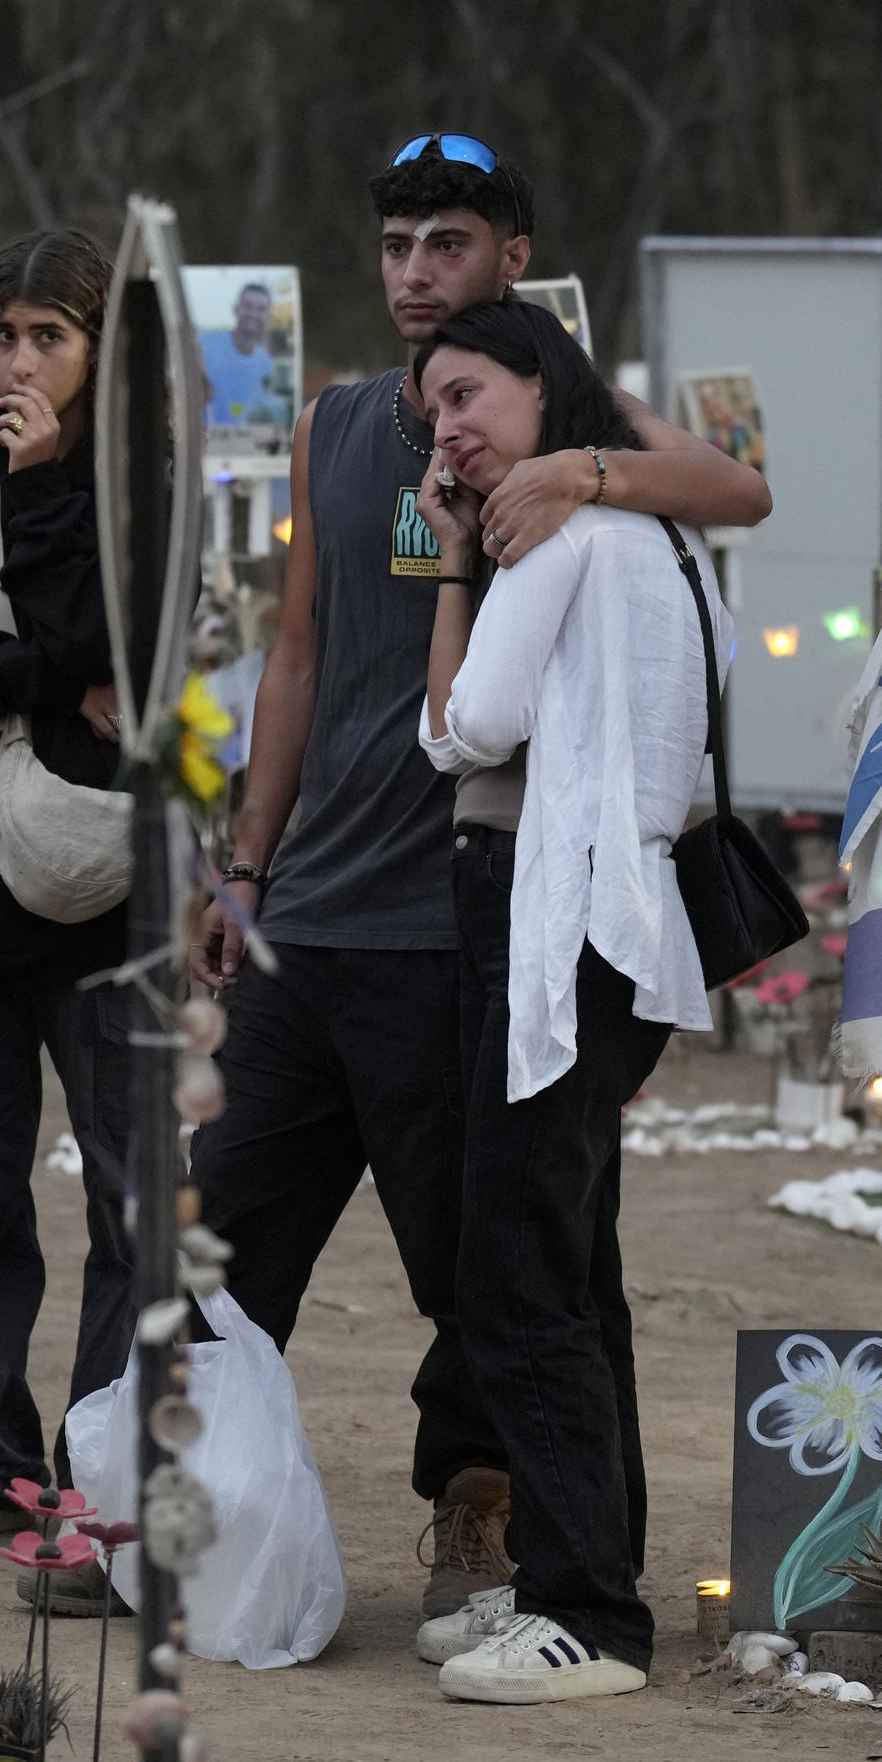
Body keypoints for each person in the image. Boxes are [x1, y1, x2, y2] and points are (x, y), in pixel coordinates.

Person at [189, 135, 768, 1636]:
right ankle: (158, 1512)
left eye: (446, 244)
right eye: (393, 246)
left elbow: (737, 488)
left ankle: (499, 1524)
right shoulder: (336, 422)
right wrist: (246, 865)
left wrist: (581, 465)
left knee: (500, 1266)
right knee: (218, 1220)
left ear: (512, 255)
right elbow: (297, 655)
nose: (413, 275)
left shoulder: (551, 398)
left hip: (479, 924)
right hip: (316, 906)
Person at [408, 298, 721, 1702]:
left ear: (546, 388)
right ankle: (572, 1577)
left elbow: (461, 728)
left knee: (519, 1267)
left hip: (554, 923)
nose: (451, 427)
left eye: (470, 395)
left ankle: (590, 1612)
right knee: (569, 1265)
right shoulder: (660, 533)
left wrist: (450, 568)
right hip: (619, 925)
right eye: (433, 413)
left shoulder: (559, 534)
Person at [0, 231, 144, 1576]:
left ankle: (95, 1462)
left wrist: (54, 488)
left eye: (49, 336)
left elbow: (120, 640)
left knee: (124, 1194)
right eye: (3, 335)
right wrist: (41, 678)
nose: (19, 362)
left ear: (101, 351)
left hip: (100, 894)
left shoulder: (129, 488)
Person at [200, 279, 291, 430]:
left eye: (261, 309)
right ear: (236, 309)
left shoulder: (267, 364)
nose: (253, 314)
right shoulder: (205, 344)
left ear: (268, 316)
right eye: (247, 306)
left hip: (245, 447)